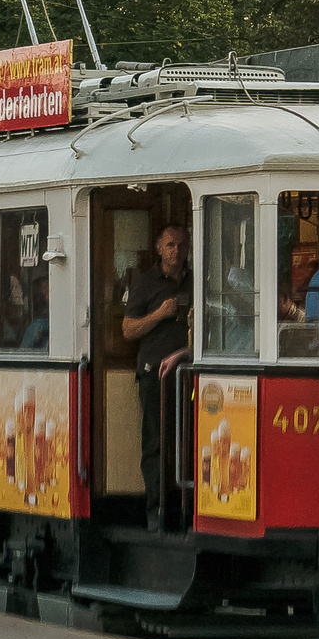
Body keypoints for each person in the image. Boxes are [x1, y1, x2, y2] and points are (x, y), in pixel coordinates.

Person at [121, 225, 191, 530]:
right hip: (154, 373)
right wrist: (160, 314)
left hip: (189, 373)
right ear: (159, 248)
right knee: (156, 442)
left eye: (181, 245)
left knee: (186, 440)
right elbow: (127, 330)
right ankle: (156, 512)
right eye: (170, 245)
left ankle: (186, 509)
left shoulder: (195, 278)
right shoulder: (146, 283)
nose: (176, 251)